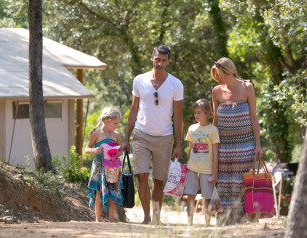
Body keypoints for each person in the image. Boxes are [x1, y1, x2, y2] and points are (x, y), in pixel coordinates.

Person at [123, 44, 184, 224]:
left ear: (168, 61)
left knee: (159, 180)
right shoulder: (139, 80)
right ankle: (147, 217)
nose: (160, 63)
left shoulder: (176, 84)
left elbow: (179, 116)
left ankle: (156, 218)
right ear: (152, 58)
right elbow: (133, 109)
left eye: (164, 60)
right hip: (141, 134)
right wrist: (126, 138)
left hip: (165, 137)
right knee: (142, 175)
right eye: (157, 59)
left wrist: (179, 143)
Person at [211, 57, 264, 225]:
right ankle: (227, 219)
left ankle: (248, 218)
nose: (218, 78)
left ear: (228, 72)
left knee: (245, 182)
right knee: (226, 183)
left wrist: (258, 145)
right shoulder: (216, 91)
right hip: (224, 147)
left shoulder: (247, 87)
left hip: (246, 145)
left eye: (219, 74)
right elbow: (215, 122)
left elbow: (254, 118)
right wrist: (213, 146)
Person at [184, 99, 220, 226]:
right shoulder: (192, 129)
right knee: (190, 195)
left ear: (207, 113)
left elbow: (216, 153)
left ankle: (207, 223)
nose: (196, 115)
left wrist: (214, 173)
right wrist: (187, 167)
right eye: (195, 112)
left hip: (207, 170)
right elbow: (190, 149)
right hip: (192, 169)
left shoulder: (213, 130)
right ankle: (189, 223)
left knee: (207, 197)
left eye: (199, 112)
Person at [86, 107, 123, 222]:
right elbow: (87, 149)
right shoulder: (96, 134)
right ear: (107, 121)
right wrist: (94, 150)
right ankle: (98, 220)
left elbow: (121, 151)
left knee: (112, 192)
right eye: (115, 123)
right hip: (99, 166)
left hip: (112, 167)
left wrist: (117, 153)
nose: (116, 126)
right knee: (99, 192)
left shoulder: (117, 135)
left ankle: (111, 220)